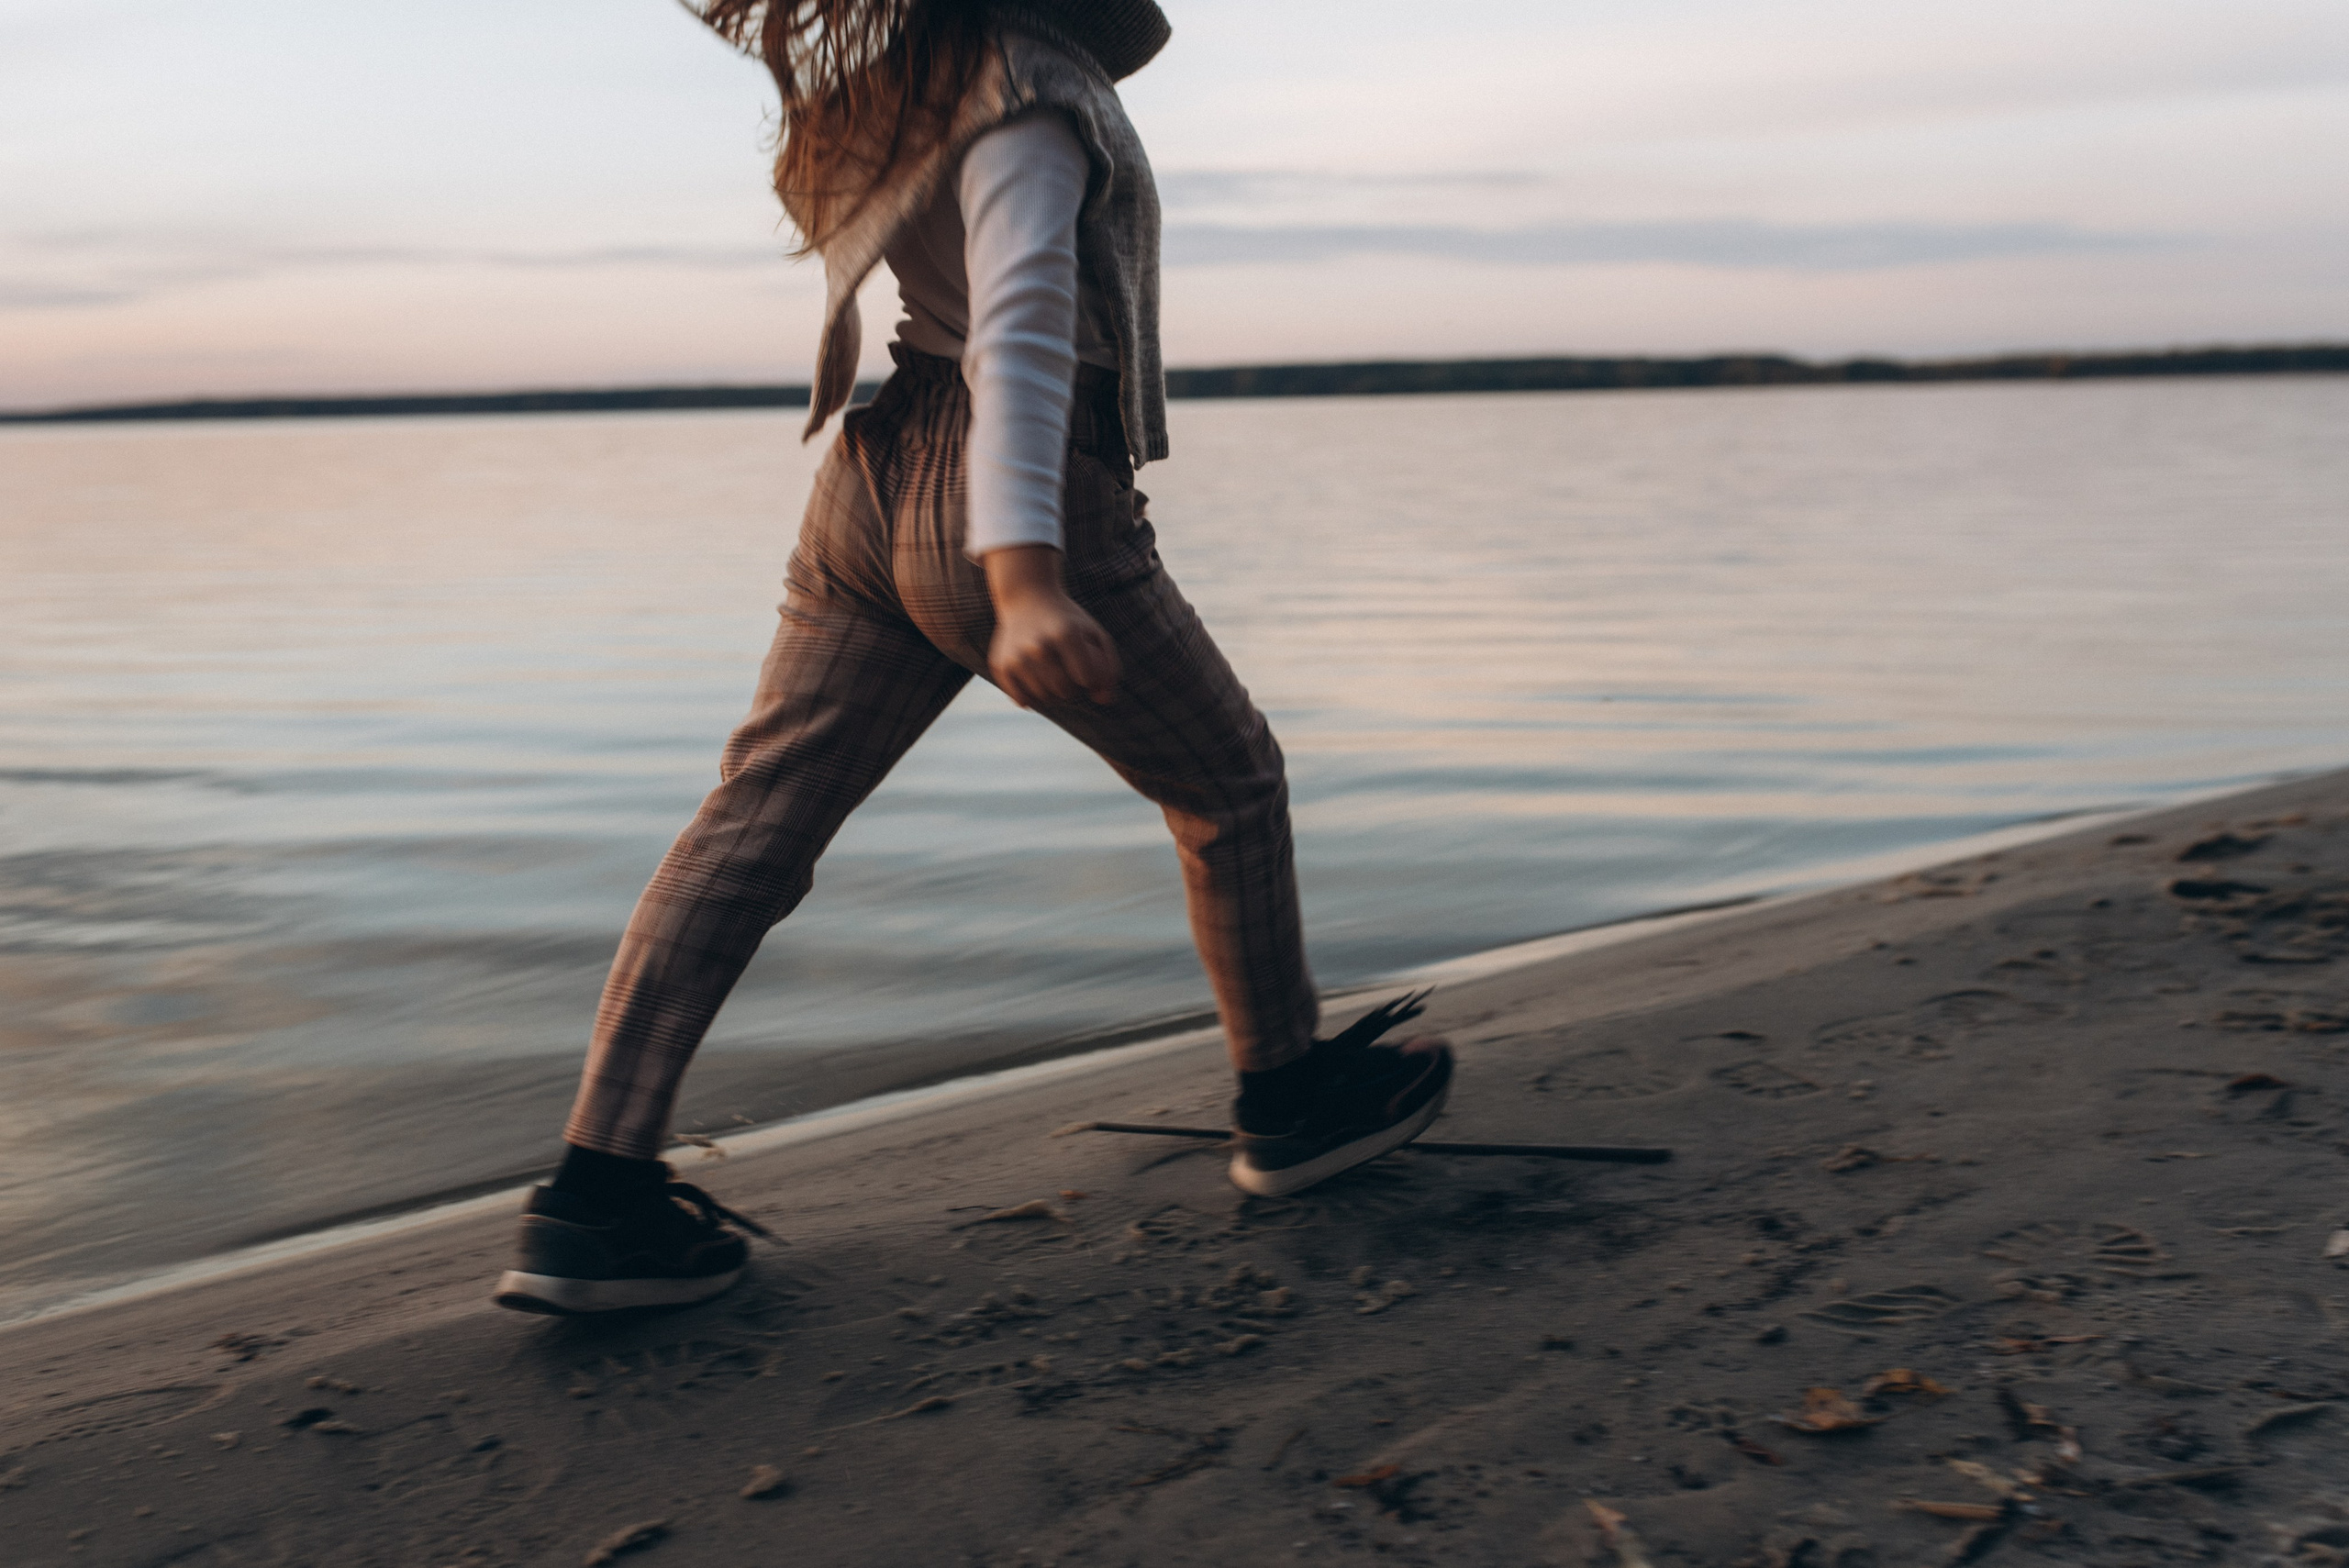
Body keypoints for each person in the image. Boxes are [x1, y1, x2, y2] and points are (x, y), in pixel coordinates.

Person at [493, 0, 1454, 1317]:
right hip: (1013, 489)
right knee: (1230, 783)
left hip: (871, 477)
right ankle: (1289, 1098)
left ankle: (594, 1191)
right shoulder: (1036, 95)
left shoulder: (906, 87)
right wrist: (1027, 577)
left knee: (757, 818)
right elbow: (1022, 328)